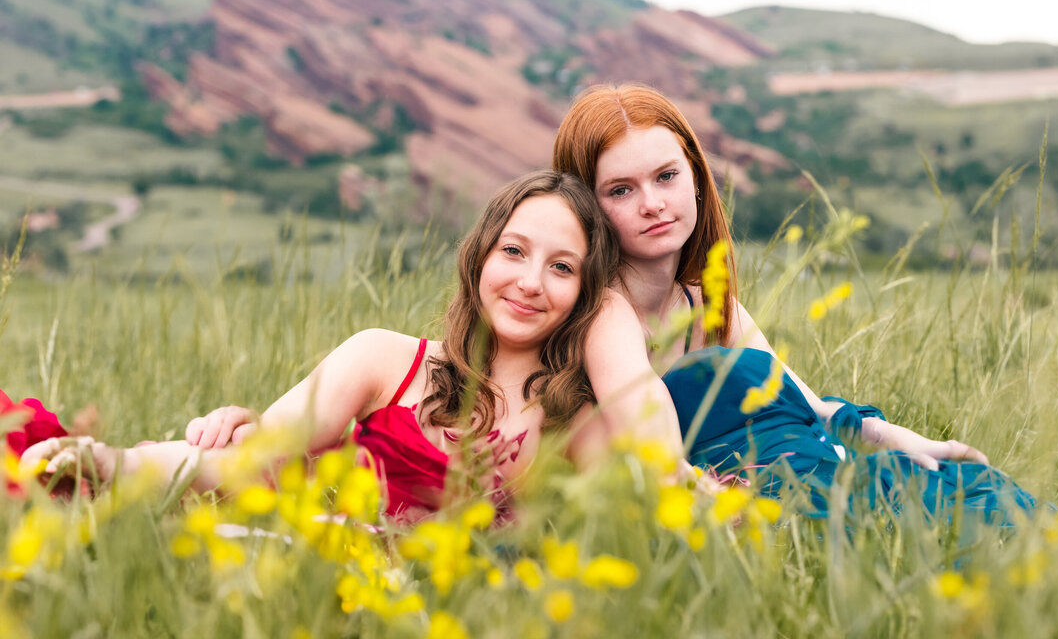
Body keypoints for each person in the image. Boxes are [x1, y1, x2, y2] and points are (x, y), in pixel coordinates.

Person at [552, 82, 1058, 528]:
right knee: (969, 523)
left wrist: (902, 438)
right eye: (621, 189)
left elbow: (804, 403)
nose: (653, 203)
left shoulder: (709, 303)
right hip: (766, 507)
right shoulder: (606, 314)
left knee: (973, 492)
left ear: (696, 178)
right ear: (586, 208)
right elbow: (655, 449)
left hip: (808, 475)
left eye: (666, 176)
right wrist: (719, 504)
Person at [14, 170, 618, 520]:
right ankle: (99, 467)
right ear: (480, 256)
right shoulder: (386, 358)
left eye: (562, 267)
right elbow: (256, 458)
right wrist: (123, 461)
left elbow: (636, 519)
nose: (529, 282)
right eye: (513, 251)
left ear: (587, 292)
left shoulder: (577, 424)